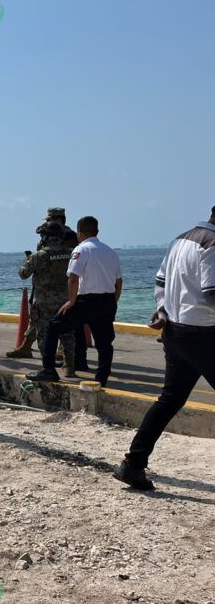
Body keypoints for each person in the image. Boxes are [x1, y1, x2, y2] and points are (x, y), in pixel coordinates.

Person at [114, 206, 215, 491]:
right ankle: (132, 464)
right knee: (170, 399)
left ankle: (133, 464)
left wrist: (162, 310)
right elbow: (211, 294)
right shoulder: (212, 244)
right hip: (205, 334)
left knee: (169, 400)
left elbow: (160, 282)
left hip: (176, 332)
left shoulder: (181, 239)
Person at [29, 216, 121, 386]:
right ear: (97, 231)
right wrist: (113, 301)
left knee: (53, 327)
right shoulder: (110, 251)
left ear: (79, 232)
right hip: (107, 300)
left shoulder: (81, 250)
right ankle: (102, 378)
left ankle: (49, 370)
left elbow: (73, 278)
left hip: (86, 300)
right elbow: (119, 281)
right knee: (104, 342)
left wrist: (71, 301)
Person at [8, 223, 77, 375]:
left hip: (44, 302)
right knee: (67, 334)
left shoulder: (39, 256)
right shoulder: (72, 253)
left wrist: (28, 260)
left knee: (44, 335)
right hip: (66, 300)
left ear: (45, 237)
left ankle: (48, 368)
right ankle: (70, 366)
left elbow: (23, 274)